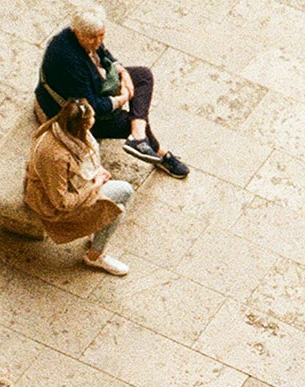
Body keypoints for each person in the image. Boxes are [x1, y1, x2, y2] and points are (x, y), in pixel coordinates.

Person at [34, 6, 188, 178]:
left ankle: (138, 136)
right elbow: (92, 106)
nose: (98, 41)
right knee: (129, 120)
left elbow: (103, 52)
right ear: (77, 31)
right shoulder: (69, 60)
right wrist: (121, 99)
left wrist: (122, 72)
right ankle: (159, 153)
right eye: (93, 37)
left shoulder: (84, 37)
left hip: (93, 86)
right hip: (73, 111)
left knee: (143, 76)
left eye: (101, 35)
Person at [24, 98, 133, 276]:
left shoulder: (60, 130)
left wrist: (97, 172)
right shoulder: (57, 157)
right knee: (119, 203)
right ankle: (95, 255)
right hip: (51, 205)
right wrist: (96, 184)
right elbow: (62, 202)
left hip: (69, 186)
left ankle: (96, 233)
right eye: (90, 121)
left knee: (119, 196)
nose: (94, 121)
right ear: (80, 127)